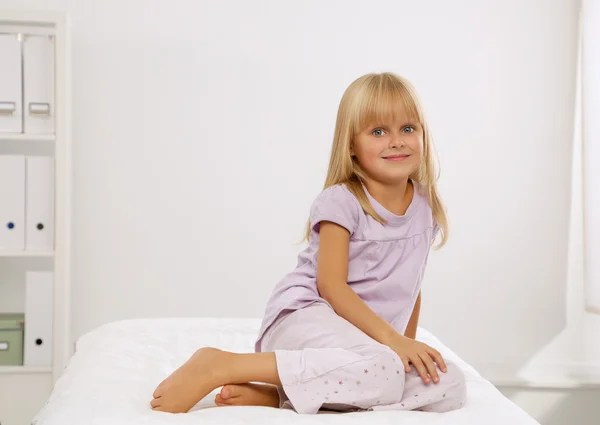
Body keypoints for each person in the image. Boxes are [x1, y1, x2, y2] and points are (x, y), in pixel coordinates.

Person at [150, 72, 467, 415]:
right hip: (308, 319)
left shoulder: (425, 207)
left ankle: (279, 396)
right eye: (378, 131)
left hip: (367, 344)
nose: (396, 141)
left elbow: (410, 286)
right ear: (351, 146)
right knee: (381, 372)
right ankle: (224, 364)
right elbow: (331, 286)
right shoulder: (342, 202)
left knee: (449, 385)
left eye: (408, 128)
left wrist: (407, 345)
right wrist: (392, 343)